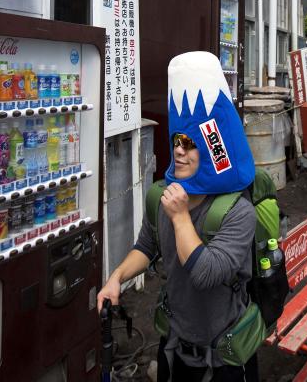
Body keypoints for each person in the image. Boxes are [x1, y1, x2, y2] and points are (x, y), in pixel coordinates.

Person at [97, 51, 259, 381]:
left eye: (192, 144)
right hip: (174, 343)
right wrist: (117, 277)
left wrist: (181, 217)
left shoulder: (238, 211)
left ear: (215, 148)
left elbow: (206, 273)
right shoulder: (162, 194)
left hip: (225, 355)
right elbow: (147, 246)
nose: (180, 152)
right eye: (177, 142)